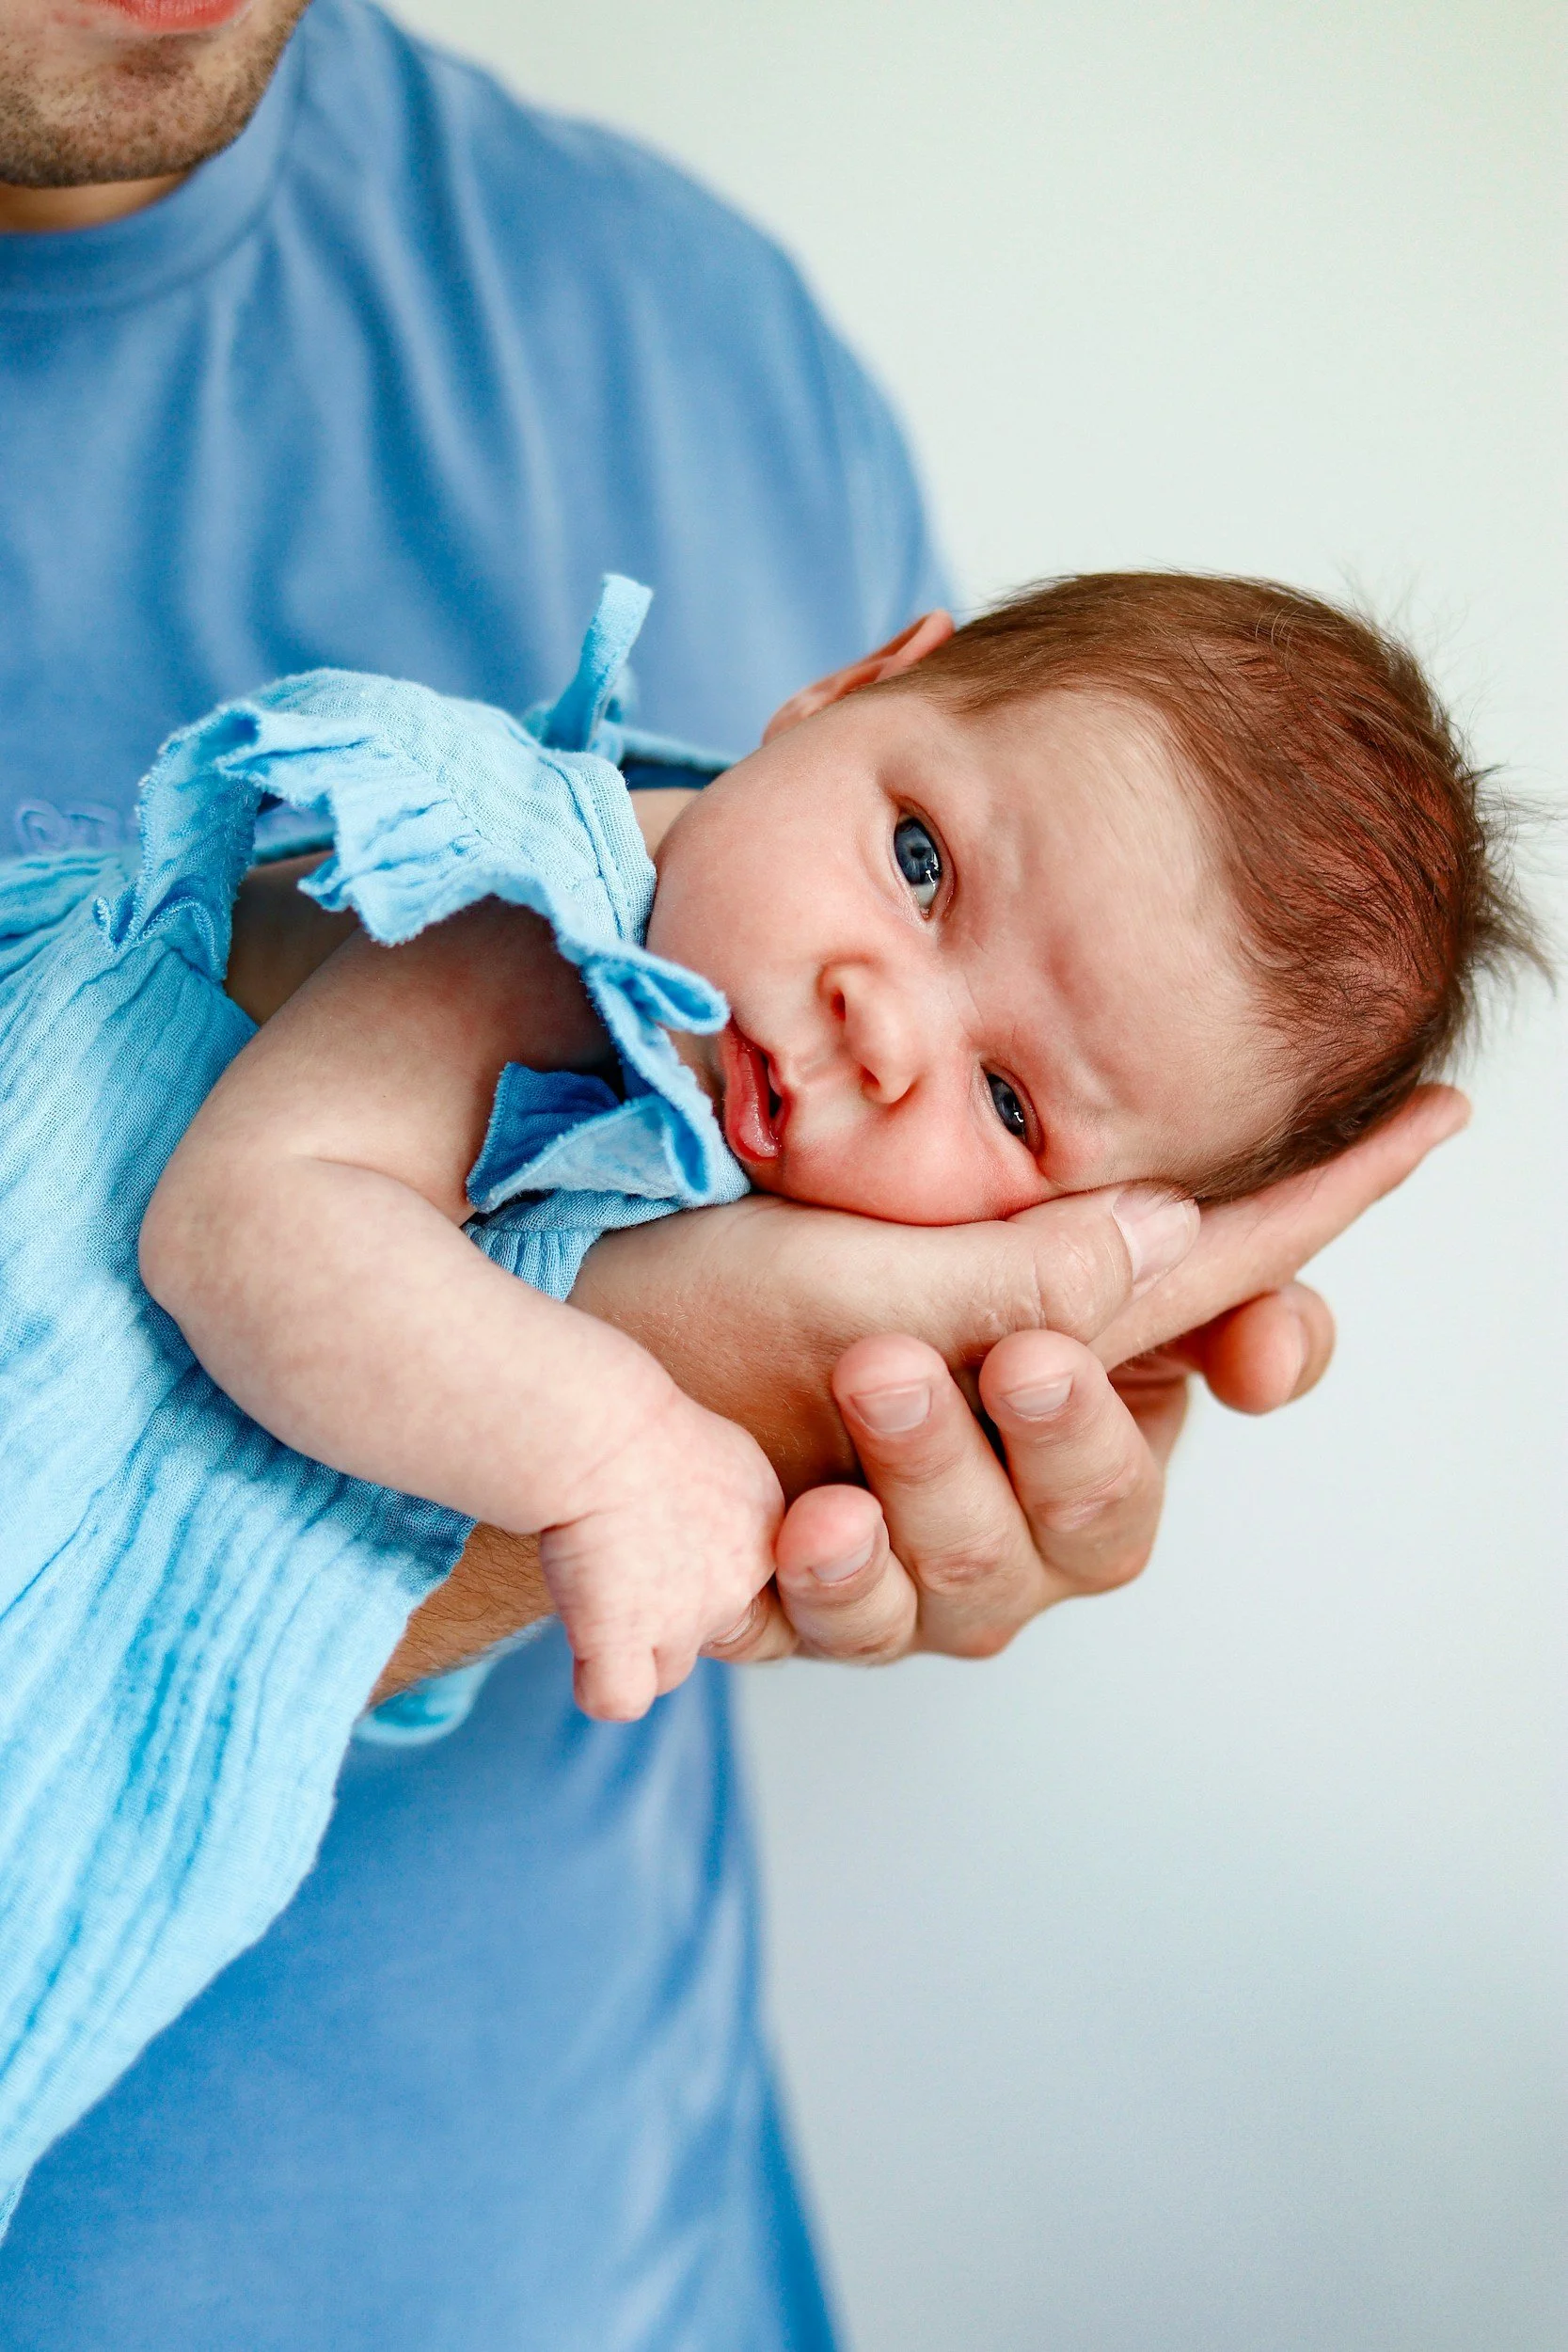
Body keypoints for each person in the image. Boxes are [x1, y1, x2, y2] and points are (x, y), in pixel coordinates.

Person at [0, 1, 1462, 2341]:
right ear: (833, 687)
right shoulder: (521, 892)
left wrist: (874, 1439)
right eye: (909, 859)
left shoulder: (711, 342)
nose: (889, 1014)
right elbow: (247, 1222)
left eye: (1008, 1108)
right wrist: (613, 1428)